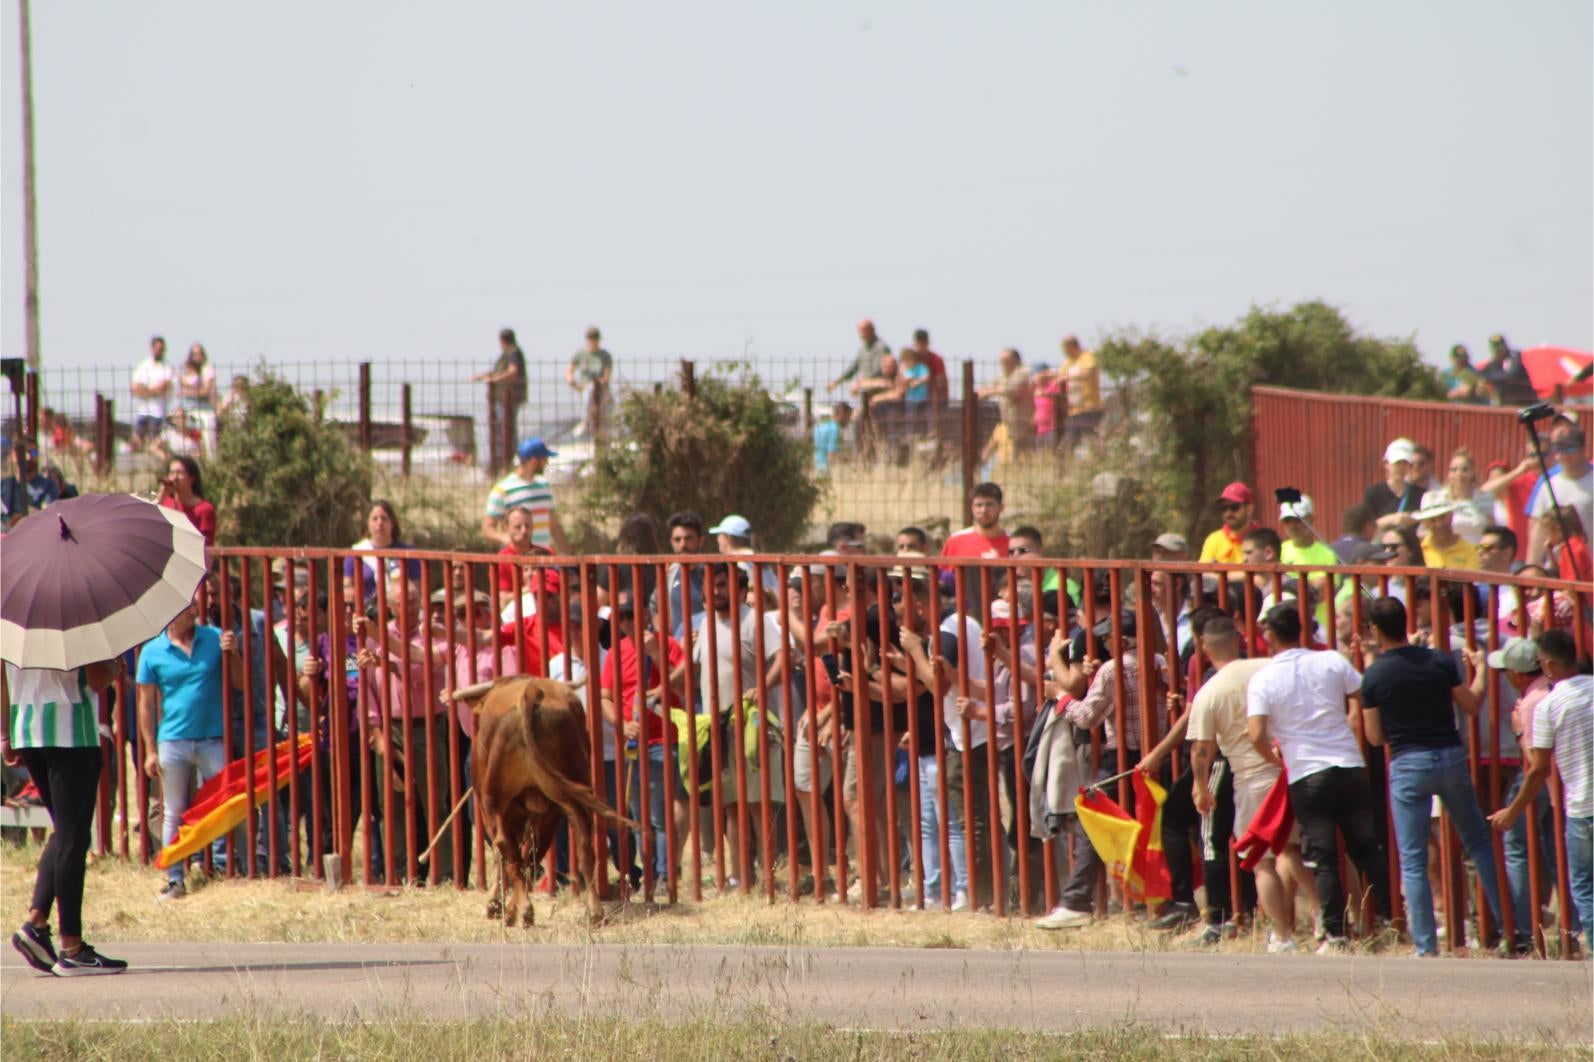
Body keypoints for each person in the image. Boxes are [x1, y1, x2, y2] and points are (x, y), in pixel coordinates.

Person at [1359, 597, 1503, 956]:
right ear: (1405, 621)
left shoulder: (1374, 674)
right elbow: (1471, 705)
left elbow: (1375, 738)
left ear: (1375, 631)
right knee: (1480, 845)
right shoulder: (1438, 660)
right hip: (1450, 757)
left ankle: (1426, 947)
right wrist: (1482, 670)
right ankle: (1510, 928)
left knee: (1413, 859)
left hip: (1408, 763)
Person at [1245, 604, 1390, 950]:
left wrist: (1277, 759)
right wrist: (1354, 718)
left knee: (1322, 858)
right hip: (1349, 764)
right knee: (1367, 847)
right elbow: (1362, 693)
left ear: (1269, 634)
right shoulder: (1332, 661)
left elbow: (1255, 734)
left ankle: (1336, 933)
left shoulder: (1264, 677)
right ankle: (1388, 918)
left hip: (1307, 773)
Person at [1183, 616, 1316, 950]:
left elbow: (1202, 749)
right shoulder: (1270, 667)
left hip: (1253, 777)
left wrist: (1201, 787)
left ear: (1203, 646)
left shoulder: (1210, 691)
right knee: (1296, 850)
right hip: (1295, 766)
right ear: (1239, 640)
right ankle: (1326, 920)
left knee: (1265, 861)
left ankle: (1283, 934)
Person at [5, 658, 129, 975]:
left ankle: (37, 921)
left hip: (27, 727)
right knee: (73, 838)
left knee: (64, 831)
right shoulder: (76, 619)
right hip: (70, 731)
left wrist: (4, 734)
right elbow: (98, 676)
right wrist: (116, 668)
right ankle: (71, 946)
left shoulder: (12, 619)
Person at [136, 599, 245, 901]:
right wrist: (150, 749)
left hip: (213, 738)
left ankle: (231, 867)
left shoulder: (213, 637)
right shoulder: (152, 651)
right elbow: (145, 704)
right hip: (173, 741)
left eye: (193, 606)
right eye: (185, 607)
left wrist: (232, 654)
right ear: (169, 614)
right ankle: (175, 878)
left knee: (228, 803)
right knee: (174, 810)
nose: (193, 610)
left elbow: (240, 683)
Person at [1489, 629, 1593, 949]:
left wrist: (1512, 810)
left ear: (1546, 664)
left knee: (1584, 885)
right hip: (1573, 803)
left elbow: (1538, 767)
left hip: (1579, 806)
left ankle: (1577, 943)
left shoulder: (1547, 705)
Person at [354, 579, 455, 883]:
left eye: (413, 601)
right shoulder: (373, 639)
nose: (409, 607)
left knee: (436, 801)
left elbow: (423, 671)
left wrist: (386, 660)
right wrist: (376, 732)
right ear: (390, 605)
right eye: (402, 602)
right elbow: (367, 689)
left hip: (428, 726)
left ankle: (445, 873)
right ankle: (397, 873)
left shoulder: (430, 634)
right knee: (392, 805)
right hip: (391, 726)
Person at [598, 593, 688, 891]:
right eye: (623, 618)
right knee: (638, 815)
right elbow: (604, 698)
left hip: (664, 738)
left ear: (646, 616)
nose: (628, 622)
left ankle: (664, 875)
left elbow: (684, 683)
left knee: (659, 813)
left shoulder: (668, 644)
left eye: (633, 615)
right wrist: (623, 724)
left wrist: (656, 654)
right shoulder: (615, 653)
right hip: (632, 744)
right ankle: (649, 876)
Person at [482, 437, 568, 553]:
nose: (546, 463)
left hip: (542, 557)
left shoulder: (544, 486)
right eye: (544, 459)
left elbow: (553, 524)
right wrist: (508, 539)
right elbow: (487, 529)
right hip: (517, 559)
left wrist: (569, 555)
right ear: (533, 461)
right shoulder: (503, 489)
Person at [1525, 428, 1592, 567]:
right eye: (1559, 448)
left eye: (1570, 447)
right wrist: (1532, 567)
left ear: (1582, 448)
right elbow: (1538, 528)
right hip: (1557, 568)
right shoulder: (1548, 483)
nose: (1564, 454)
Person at [346, 500, 422, 603]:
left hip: (399, 612)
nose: (380, 523)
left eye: (384, 518)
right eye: (374, 519)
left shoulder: (408, 553)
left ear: (392, 523)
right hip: (367, 612)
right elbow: (347, 589)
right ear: (367, 523)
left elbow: (417, 590)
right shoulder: (356, 553)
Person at [474, 327, 528, 470]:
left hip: (509, 398)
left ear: (502, 341)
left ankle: (508, 459)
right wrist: (482, 376)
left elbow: (512, 372)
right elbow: (499, 370)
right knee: (502, 429)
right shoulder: (506, 354)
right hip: (502, 398)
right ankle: (503, 459)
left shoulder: (513, 353)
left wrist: (494, 379)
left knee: (507, 429)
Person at [1420, 448, 1492, 544]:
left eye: (1464, 469)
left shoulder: (1485, 498)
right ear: (1449, 474)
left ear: (1473, 472)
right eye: (1454, 470)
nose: (1459, 474)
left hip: (1475, 554)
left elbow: (1492, 529)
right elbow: (1423, 531)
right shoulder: (1433, 498)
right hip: (1445, 553)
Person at [976, 348, 1033, 464]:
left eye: (1006, 361)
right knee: (992, 446)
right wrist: (984, 392)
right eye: (1002, 361)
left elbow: (1010, 389)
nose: (1003, 364)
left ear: (1015, 360)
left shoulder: (1023, 372)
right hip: (1007, 421)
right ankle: (979, 466)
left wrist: (990, 391)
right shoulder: (1004, 375)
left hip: (1021, 421)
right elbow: (987, 388)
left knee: (1019, 452)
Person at [156, 455, 218, 547]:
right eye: (172, 473)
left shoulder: (204, 509)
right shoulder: (164, 504)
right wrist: (161, 497)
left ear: (192, 478)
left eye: (179, 473)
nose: (174, 478)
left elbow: (207, 547)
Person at [566, 326, 613, 441]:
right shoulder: (580, 354)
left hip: (601, 389)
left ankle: (607, 431)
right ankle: (585, 422)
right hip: (586, 387)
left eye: (595, 338)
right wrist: (572, 381)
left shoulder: (605, 355)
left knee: (608, 410)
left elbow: (607, 373)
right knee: (589, 393)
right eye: (590, 338)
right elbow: (569, 370)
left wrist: (603, 381)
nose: (593, 341)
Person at [1365, 438, 1423, 530]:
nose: (1401, 467)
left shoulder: (1420, 493)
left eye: (1405, 463)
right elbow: (1366, 526)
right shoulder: (1373, 493)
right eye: (1397, 463)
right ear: (1387, 464)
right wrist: (1391, 519)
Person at [829, 318, 892, 399]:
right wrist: (836, 382)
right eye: (860, 331)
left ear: (872, 330)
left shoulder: (882, 347)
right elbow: (853, 368)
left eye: (864, 331)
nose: (861, 335)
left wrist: (861, 382)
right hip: (864, 389)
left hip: (878, 387)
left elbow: (879, 371)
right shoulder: (863, 349)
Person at [2, 440, 59, 528]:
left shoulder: (48, 486)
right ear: (14, 455)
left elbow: (50, 515)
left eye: (33, 453)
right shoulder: (3, 486)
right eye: (23, 453)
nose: (28, 457)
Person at [131, 336, 174, 450]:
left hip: (159, 412)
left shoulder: (167, 367)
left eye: (162, 349)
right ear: (152, 348)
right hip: (143, 410)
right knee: (137, 440)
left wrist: (146, 390)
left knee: (155, 442)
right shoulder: (143, 366)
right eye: (158, 349)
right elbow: (135, 389)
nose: (160, 352)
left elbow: (164, 387)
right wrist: (154, 391)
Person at [1199, 482, 1259, 565]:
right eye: (1224, 508)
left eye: (1234, 507)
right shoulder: (1214, 540)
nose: (1228, 513)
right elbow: (1204, 574)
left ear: (1249, 509)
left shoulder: (1262, 540)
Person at [1059, 334, 1104, 447]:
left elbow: (1087, 373)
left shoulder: (1087, 357)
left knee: (1091, 437)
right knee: (1070, 440)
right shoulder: (1068, 362)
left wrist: (1068, 376)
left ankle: (1100, 459)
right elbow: (1059, 378)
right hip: (1074, 409)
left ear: (1071, 346)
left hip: (1090, 407)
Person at [1413, 502, 1479, 571]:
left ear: (1451, 517)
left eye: (1442, 517)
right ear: (1425, 523)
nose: (1439, 524)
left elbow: (1469, 580)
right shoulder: (1419, 549)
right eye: (1432, 520)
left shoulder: (1469, 550)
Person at [1479, 333, 1538, 407]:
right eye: (1497, 351)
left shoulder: (1514, 357)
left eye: (1501, 350)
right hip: (1507, 406)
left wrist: (1488, 377)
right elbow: (1481, 375)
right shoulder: (1493, 364)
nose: (1499, 353)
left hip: (1525, 404)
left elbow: (1510, 375)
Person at [1540, 505, 1591, 583]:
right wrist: (1550, 553)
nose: (1546, 538)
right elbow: (1560, 575)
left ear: (1558, 529)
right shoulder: (1567, 548)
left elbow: (1573, 583)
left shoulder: (1573, 549)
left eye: (1547, 532)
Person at [813, 402, 852, 475]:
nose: (849, 419)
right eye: (848, 416)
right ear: (842, 414)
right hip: (826, 469)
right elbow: (831, 454)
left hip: (817, 464)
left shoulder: (823, 425)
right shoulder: (834, 429)